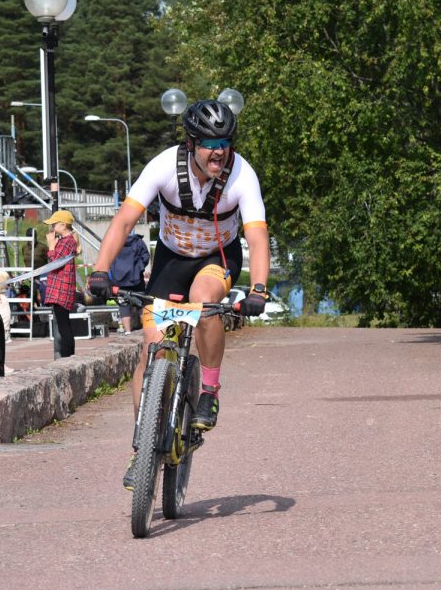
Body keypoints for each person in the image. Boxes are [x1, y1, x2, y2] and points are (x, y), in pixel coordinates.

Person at [87, 98, 270, 487]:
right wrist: (100, 270)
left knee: (204, 301)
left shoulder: (242, 174)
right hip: (171, 260)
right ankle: (141, 448)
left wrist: (258, 288)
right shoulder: (164, 167)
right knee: (150, 348)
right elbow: (124, 220)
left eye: (225, 142)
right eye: (210, 143)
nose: (219, 151)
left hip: (218, 256)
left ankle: (209, 391)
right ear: (191, 143)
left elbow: (256, 236)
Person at [40, 209, 79, 359]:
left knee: (63, 326)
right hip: (62, 288)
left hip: (60, 289)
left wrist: (51, 246)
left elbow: (55, 262)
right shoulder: (67, 241)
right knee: (64, 324)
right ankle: (68, 355)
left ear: (63, 225)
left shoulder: (66, 242)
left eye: (54, 224)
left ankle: (68, 356)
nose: (52, 227)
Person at [108, 230, 150, 333]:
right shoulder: (138, 241)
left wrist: (114, 270)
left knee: (123, 304)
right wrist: (139, 268)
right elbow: (145, 257)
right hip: (136, 277)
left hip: (119, 279)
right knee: (141, 303)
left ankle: (127, 331)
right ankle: (147, 329)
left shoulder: (114, 241)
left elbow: (108, 257)